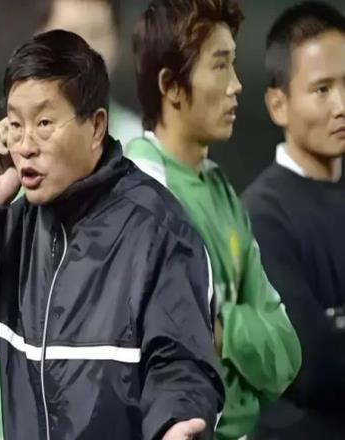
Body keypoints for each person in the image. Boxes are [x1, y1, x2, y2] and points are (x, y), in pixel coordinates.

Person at [0, 29, 225, 440]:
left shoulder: (158, 229)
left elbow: (182, 364)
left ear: (96, 127)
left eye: (44, 123)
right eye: (15, 124)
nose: (25, 145)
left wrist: (177, 422)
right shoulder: (9, 226)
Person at [125, 1, 301, 439]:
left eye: (233, 64)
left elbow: (285, 356)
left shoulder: (222, 194)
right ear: (171, 86)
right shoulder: (139, 192)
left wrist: (225, 329)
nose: (236, 85)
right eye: (220, 66)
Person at [242, 2, 345, 439]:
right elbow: (312, 365)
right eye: (322, 89)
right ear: (278, 104)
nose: (341, 105)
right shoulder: (261, 216)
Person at [0, 0, 141, 201]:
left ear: (118, 42)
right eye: (68, 37)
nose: (83, 54)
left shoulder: (139, 146)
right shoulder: (0, 150)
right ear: (39, 41)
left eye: (96, 34)